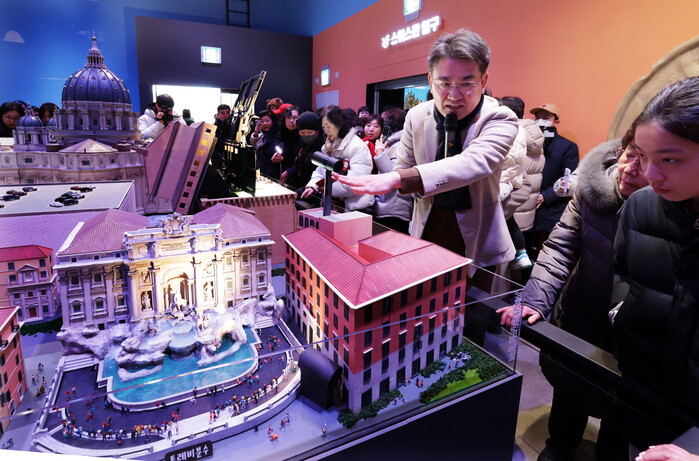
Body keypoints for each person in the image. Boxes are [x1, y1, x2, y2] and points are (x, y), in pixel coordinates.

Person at [498, 127, 648, 460]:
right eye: (631, 153)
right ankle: (559, 445)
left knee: (621, 415)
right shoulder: (592, 190)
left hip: (635, 334)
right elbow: (560, 248)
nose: (631, 168)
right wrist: (534, 300)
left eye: (649, 160)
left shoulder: (674, 213)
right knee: (568, 393)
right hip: (582, 310)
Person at [336, 29, 518, 272]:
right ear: (431, 81)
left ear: (483, 81)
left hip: (479, 243)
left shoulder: (499, 117)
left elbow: (475, 162)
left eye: (466, 83)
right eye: (444, 83)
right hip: (426, 232)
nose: (454, 95)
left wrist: (400, 178)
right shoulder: (417, 115)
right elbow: (403, 168)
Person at [611, 76, 699, 453]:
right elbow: (621, 271)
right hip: (642, 398)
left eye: (669, 159)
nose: (649, 174)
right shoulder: (640, 206)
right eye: (644, 156)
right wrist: (620, 313)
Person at [526, 103, 579, 259]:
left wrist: (545, 196)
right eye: (538, 117)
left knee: (550, 252)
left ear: (556, 122)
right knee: (524, 251)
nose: (540, 121)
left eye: (546, 117)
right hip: (527, 204)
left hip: (552, 206)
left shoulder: (567, 146)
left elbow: (568, 178)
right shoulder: (528, 144)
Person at [499, 96, 545, 272]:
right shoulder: (536, 137)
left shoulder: (508, 131)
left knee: (502, 260)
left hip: (509, 199)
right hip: (526, 201)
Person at [301, 106, 374, 211]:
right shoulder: (327, 146)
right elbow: (320, 171)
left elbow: (357, 181)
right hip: (332, 203)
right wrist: (313, 186)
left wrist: (327, 188)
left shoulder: (358, 146)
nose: (326, 131)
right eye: (324, 127)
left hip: (355, 207)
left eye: (329, 127)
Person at [371, 107, 412, 234]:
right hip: (389, 206)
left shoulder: (400, 145)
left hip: (394, 209)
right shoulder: (394, 143)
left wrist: (380, 153)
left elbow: (393, 174)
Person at [280, 111, 325, 192]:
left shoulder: (323, 147)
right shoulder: (302, 144)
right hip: (303, 187)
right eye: (302, 132)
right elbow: (300, 164)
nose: (306, 135)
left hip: (315, 190)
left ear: (317, 131)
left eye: (310, 132)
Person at [255, 109, 283, 179]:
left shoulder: (278, 136)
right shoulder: (262, 136)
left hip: (273, 176)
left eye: (267, 121)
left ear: (273, 121)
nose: (265, 124)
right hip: (261, 174)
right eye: (262, 121)